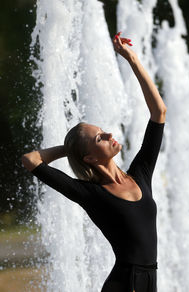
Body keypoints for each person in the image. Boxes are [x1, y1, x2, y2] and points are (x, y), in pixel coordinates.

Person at [22, 31, 167, 292]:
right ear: (89, 157)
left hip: (149, 281)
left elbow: (159, 112)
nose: (110, 134)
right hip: (124, 284)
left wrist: (131, 59)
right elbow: (31, 160)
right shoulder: (89, 193)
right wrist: (69, 149)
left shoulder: (139, 174)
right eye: (100, 137)